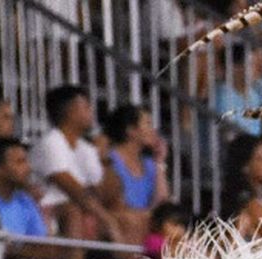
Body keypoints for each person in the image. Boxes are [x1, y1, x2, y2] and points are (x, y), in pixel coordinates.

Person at [30, 85, 120, 248]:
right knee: (74, 212)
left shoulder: (87, 148)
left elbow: (107, 194)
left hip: (84, 212)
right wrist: (108, 220)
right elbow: (74, 191)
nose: (91, 111)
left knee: (133, 218)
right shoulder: (51, 143)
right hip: (50, 212)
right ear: (70, 112)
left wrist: (104, 159)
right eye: (86, 106)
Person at [102, 104, 169, 242]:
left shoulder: (150, 164)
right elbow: (113, 203)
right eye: (148, 124)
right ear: (131, 131)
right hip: (121, 222)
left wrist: (159, 162)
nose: (153, 131)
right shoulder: (110, 159)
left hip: (145, 221)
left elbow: (162, 203)